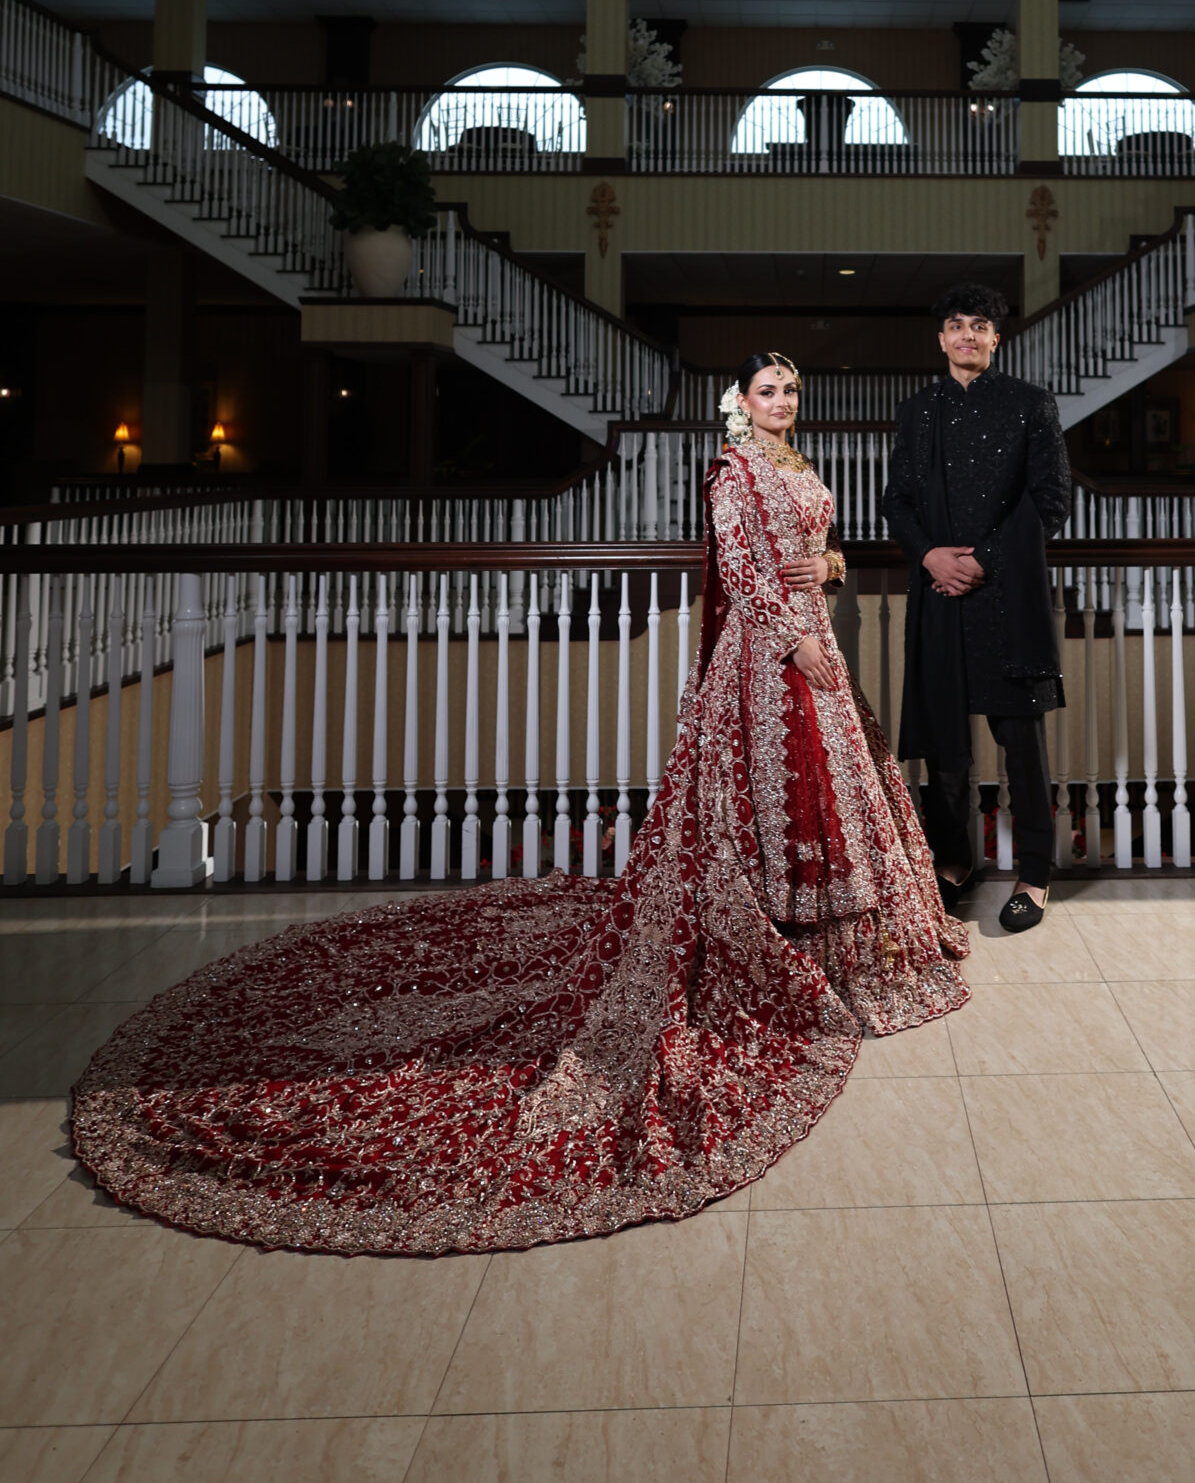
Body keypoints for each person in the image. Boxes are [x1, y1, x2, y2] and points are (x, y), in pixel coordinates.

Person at [70, 353, 968, 1255]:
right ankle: (767, 942)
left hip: (813, 640)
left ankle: (837, 950)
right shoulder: (731, 472)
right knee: (760, 804)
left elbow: (817, 554)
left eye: (790, 393)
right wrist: (791, 642)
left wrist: (830, 570)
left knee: (837, 795)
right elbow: (738, 574)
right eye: (767, 393)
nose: (781, 404)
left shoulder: (798, 467)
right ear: (739, 403)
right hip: (765, 660)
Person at [883, 285, 1071, 934]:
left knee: (1021, 741)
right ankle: (954, 864)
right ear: (940, 338)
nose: (967, 335)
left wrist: (982, 559)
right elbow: (897, 502)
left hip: (1006, 591)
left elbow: (1049, 499)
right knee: (945, 749)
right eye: (955, 325)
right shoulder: (916, 412)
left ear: (996, 338)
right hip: (939, 593)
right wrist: (931, 557)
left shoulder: (1029, 404)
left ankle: (1034, 874)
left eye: (980, 326)